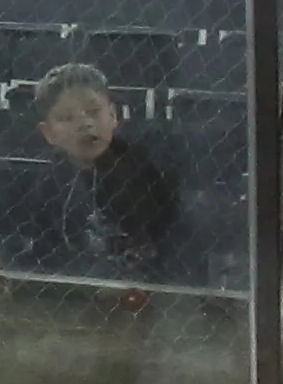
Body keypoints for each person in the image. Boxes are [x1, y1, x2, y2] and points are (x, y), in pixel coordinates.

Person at [25, 61, 176, 273]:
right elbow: (44, 251)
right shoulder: (47, 182)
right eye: (67, 118)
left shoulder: (145, 171)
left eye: (94, 111)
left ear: (113, 115)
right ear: (49, 133)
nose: (84, 124)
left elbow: (168, 245)